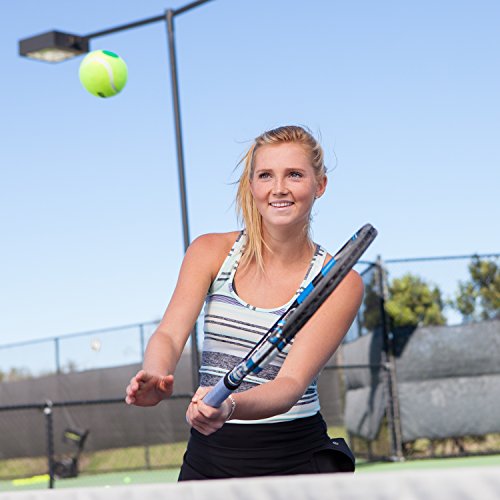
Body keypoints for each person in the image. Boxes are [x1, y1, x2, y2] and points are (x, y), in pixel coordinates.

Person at [125, 125, 364, 480]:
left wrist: (229, 405)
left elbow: (290, 384)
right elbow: (170, 335)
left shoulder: (341, 282)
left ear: (320, 185)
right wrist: (156, 375)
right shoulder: (209, 251)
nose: (279, 188)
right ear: (252, 186)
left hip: (296, 458)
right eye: (266, 175)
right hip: (209, 458)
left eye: (294, 174)